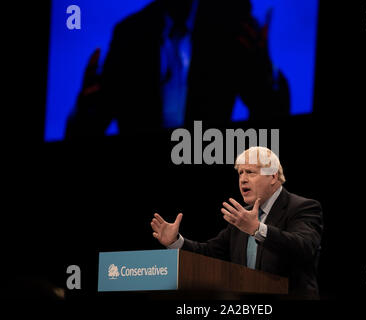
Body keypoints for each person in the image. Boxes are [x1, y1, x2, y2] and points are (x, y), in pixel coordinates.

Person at [65, 0, 290, 138]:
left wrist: (265, 72)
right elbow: (91, 126)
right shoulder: (129, 33)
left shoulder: (228, 25)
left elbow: (270, 121)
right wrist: (85, 109)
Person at [150, 146, 323, 299]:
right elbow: (211, 253)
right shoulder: (242, 217)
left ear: (272, 176)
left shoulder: (302, 207)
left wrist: (257, 229)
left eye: (250, 172)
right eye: (240, 173)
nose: (243, 179)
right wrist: (176, 242)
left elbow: (305, 247)